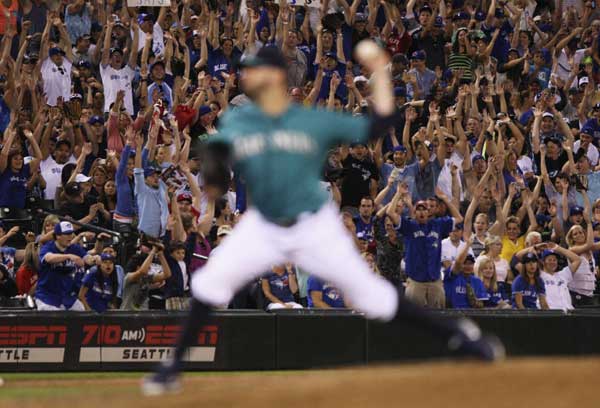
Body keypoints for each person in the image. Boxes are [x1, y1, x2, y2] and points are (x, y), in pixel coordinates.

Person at [143, 44, 503, 396]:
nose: (246, 74)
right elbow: (217, 163)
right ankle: (171, 368)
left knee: (373, 298)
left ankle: (462, 335)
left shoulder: (310, 120)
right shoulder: (239, 119)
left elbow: (379, 125)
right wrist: (214, 171)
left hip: (314, 225)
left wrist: (380, 76)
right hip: (263, 225)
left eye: (254, 68)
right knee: (209, 284)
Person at [35, 221, 99, 311]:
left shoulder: (74, 248)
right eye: (66, 234)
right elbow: (49, 258)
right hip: (47, 297)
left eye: (71, 233)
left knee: (81, 311)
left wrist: (94, 259)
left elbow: (86, 258)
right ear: (58, 236)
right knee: (54, 317)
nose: (70, 236)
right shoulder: (48, 247)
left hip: (68, 298)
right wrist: (68, 256)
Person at [538, 245, 581, 311]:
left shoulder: (563, 274)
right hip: (551, 314)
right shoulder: (538, 275)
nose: (552, 262)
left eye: (554, 260)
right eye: (549, 260)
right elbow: (518, 259)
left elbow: (577, 260)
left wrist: (558, 248)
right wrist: (535, 247)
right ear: (543, 262)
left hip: (569, 313)